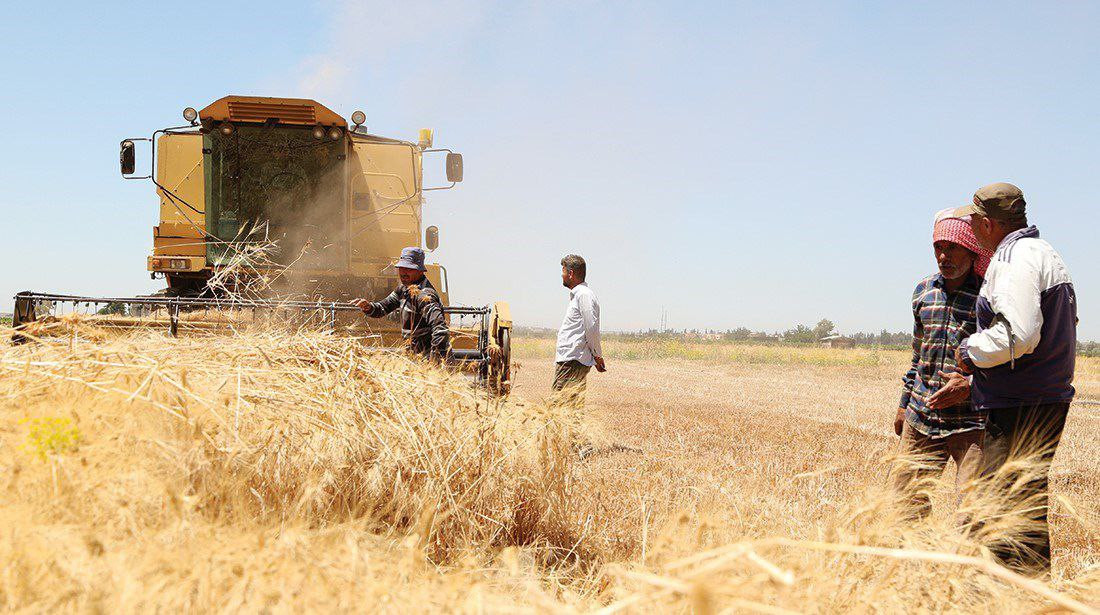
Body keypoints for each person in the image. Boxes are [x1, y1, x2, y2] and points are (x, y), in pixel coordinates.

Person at [950, 182, 1077, 574]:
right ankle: (1035, 598)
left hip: (1020, 403)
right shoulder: (1043, 252)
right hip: (1044, 397)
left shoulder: (1013, 258)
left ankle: (1005, 599)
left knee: (1002, 511)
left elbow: (1018, 335)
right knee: (1024, 508)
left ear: (988, 224)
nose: (970, 227)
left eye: (973, 220)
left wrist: (969, 351)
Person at [893, 209, 993, 523]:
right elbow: (918, 356)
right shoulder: (923, 292)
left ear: (971, 249)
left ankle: (964, 569)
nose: (943, 255)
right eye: (938, 247)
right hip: (921, 416)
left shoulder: (988, 296)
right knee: (903, 504)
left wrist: (971, 385)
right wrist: (903, 403)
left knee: (972, 513)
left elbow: (1007, 357)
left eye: (952, 247)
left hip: (972, 421)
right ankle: (913, 567)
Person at [352, 247, 450, 360]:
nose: (403, 272)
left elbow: (440, 329)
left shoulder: (425, 296)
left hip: (426, 359)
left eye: (408, 269)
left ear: (420, 270)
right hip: (414, 357)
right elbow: (382, 308)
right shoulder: (402, 290)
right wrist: (368, 307)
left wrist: (436, 361)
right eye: (401, 268)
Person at [553, 254, 605, 406]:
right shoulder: (579, 295)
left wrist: (597, 355)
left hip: (572, 360)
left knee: (558, 407)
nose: (561, 275)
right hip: (571, 358)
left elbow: (591, 327)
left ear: (570, 273)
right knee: (571, 409)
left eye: (563, 271)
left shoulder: (584, 295)